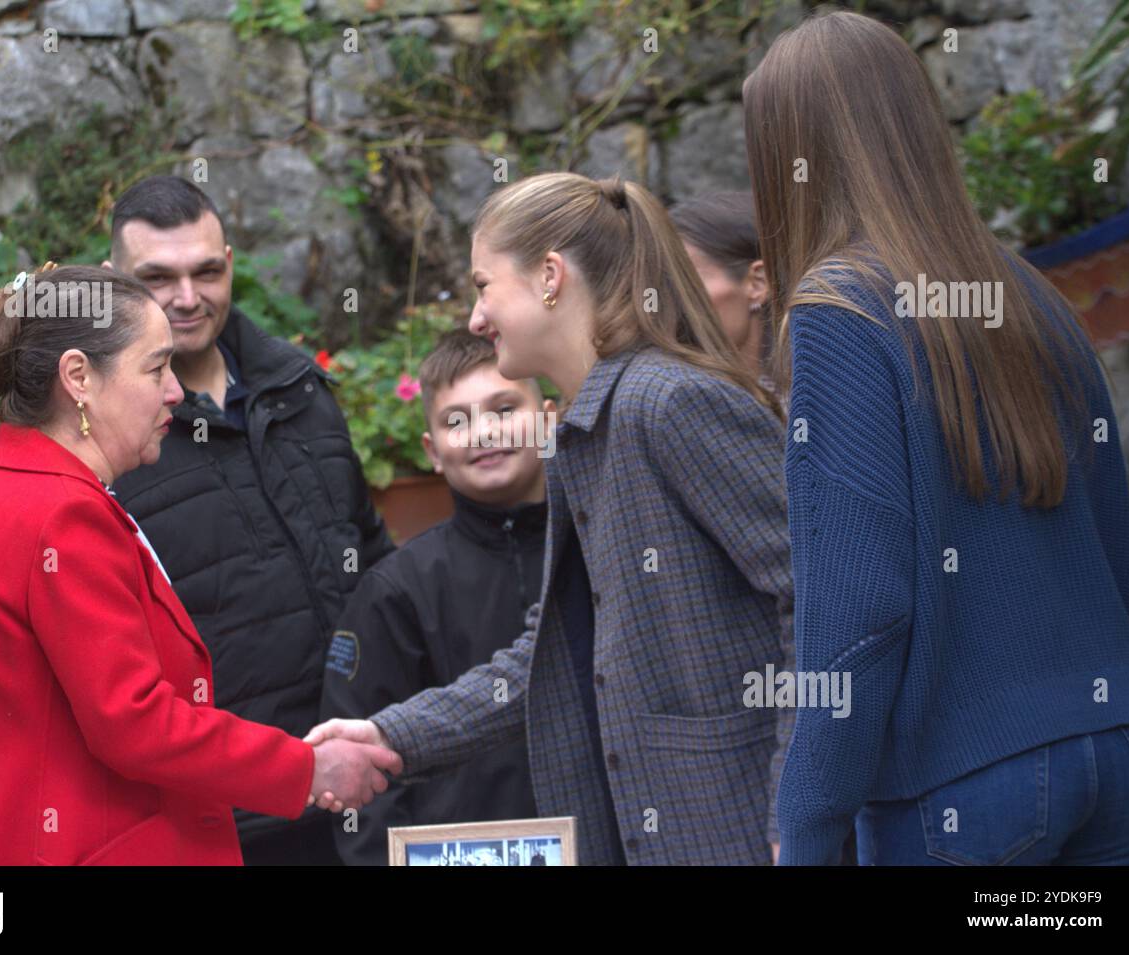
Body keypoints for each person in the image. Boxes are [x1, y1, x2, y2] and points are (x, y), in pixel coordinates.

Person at [743, 10, 1129, 865]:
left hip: (964, 791)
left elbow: (860, 609)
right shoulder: (1032, 295)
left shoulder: (836, 312)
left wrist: (807, 830)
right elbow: (1117, 547)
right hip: (1120, 753)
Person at [308, 172, 796, 865]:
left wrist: (795, 804)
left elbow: (821, 597)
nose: (475, 318)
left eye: (482, 285)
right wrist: (391, 736)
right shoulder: (583, 432)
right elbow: (548, 650)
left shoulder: (669, 402)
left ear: (549, 277)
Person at [0, 265, 400, 865]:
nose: (175, 390)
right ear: (78, 379)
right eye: (155, 368)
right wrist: (307, 769)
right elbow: (134, 722)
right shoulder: (62, 514)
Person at [102, 177, 395, 865]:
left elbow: (373, 555)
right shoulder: (109, 442)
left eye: (206, 270)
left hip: (364, 778)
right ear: (115, 279)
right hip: (233, 815)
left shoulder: (299, 388)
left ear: (230, 262)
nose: (187, 297)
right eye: (158, 277)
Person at [319, 328, 554, 864]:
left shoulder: (599, 549)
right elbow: (361, 782)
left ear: (550, 420)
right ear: (432, 453)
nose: (483, 432)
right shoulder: (395, 592)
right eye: (456, 420)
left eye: (504, 408)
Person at [669, 191, 774, 388]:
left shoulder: (810, 406)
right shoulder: (670, 397)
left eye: (687, 281)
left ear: (758, 283)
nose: (671, 300)